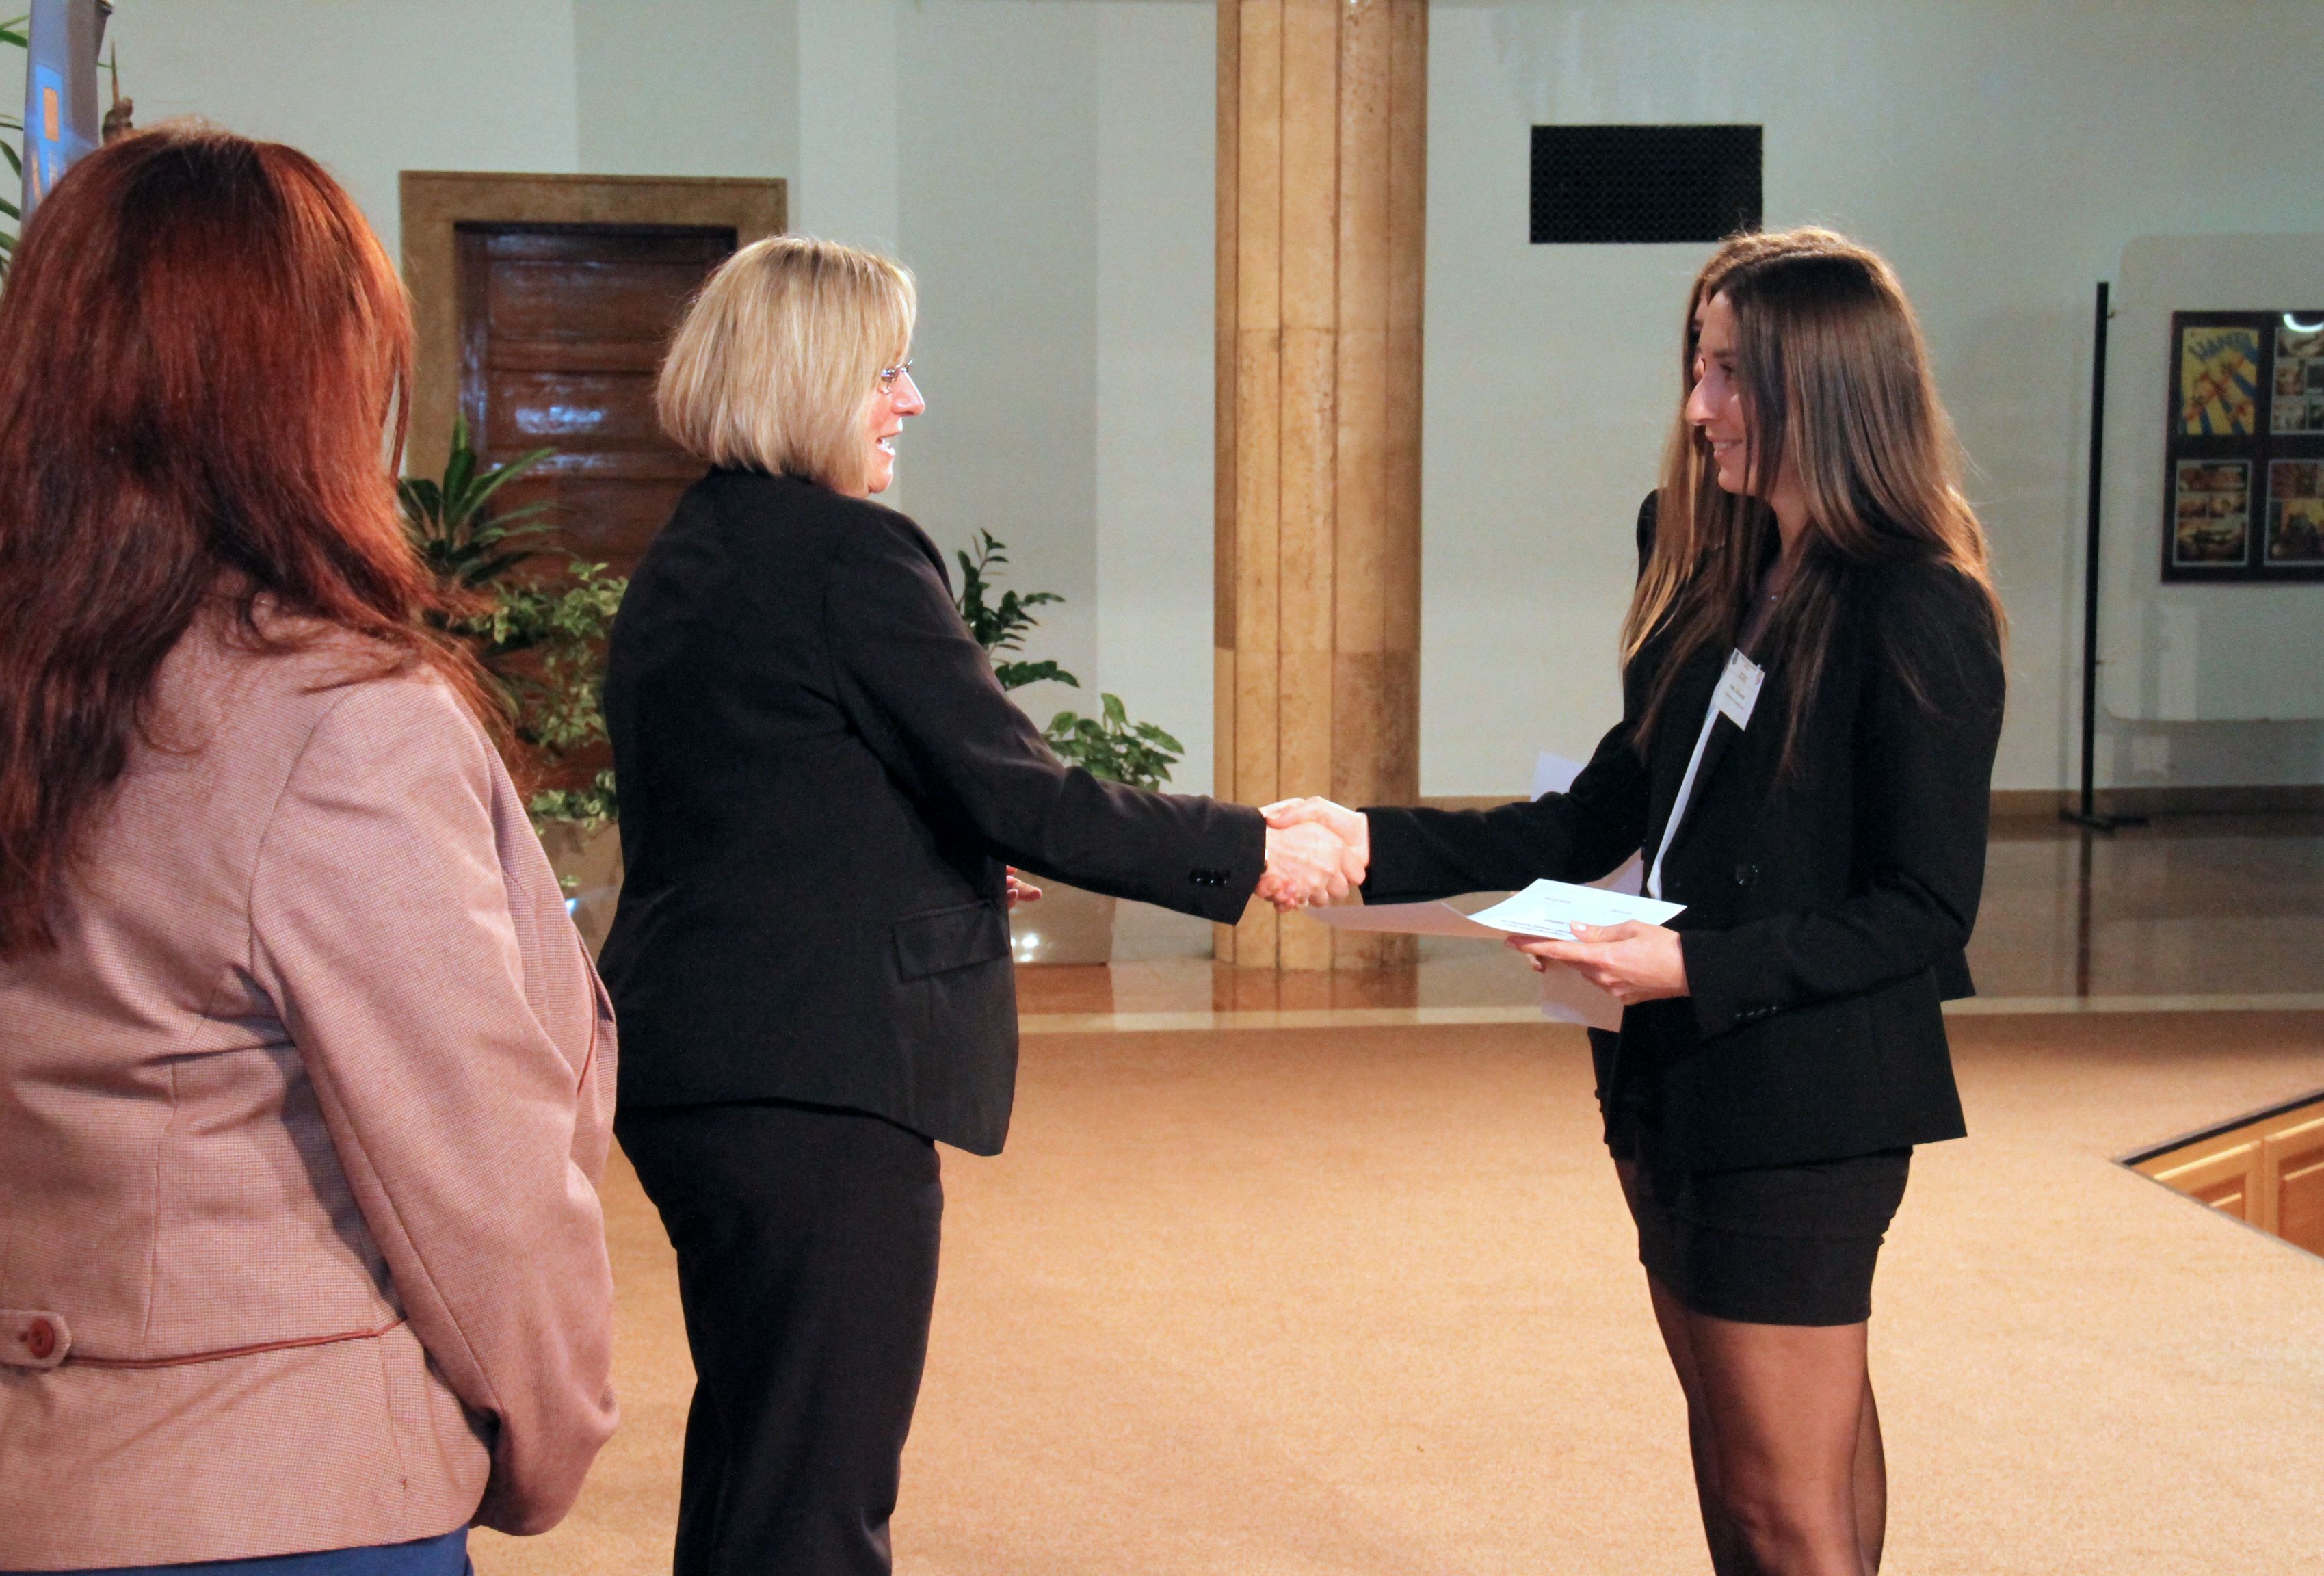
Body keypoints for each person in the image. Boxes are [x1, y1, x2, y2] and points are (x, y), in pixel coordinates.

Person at [600, 234, 1358, 1576]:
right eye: (885, 371)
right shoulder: (848, 555)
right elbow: (1026, 795)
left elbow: (762, 793)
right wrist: (1253, 846)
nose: (912, 399)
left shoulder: (693, 550)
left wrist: (916, 848)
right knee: (817, 1500)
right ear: (806, 381)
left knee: (756, 1461)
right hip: (817, 1077)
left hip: (702, 1062)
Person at [1269, 228, 2006, 1576]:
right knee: (1743, 1461)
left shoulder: (1916, 603)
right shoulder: (1713, 565)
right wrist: (1369, 842)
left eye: (1728, 375)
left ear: (1823, 387)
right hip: (1666, 1067)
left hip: (1802, 1094)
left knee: (1787, 1504)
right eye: (1696, 367)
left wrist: (1692, 969)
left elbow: (1922, 909)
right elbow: (1601, 811)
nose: (1698, 406)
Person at [0, 125, 619, 1573]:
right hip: (276, 1498)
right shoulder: (331, 724)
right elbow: (480, 1191)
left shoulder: (0, 680)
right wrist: (550, 1437)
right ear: (308, 389)